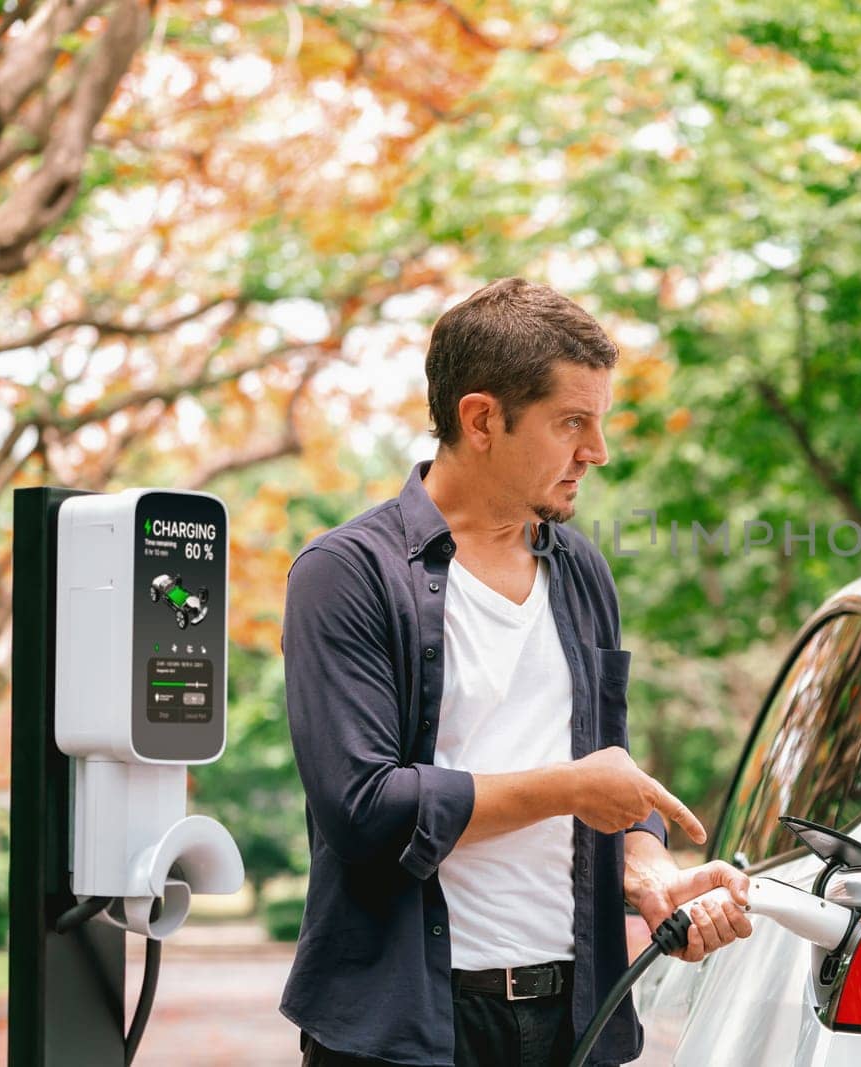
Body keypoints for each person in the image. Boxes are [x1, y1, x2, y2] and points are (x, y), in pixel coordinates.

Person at [280, 278, 753, 1066]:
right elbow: (363, 809)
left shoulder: (580, 570)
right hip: (406, 1029)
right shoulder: (347, 574)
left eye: (598, 424)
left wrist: (647, 866)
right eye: (572, 422)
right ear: (481, 419)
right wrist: (568, 787)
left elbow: (611, 772)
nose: (596, 452)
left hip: (574, 1018)